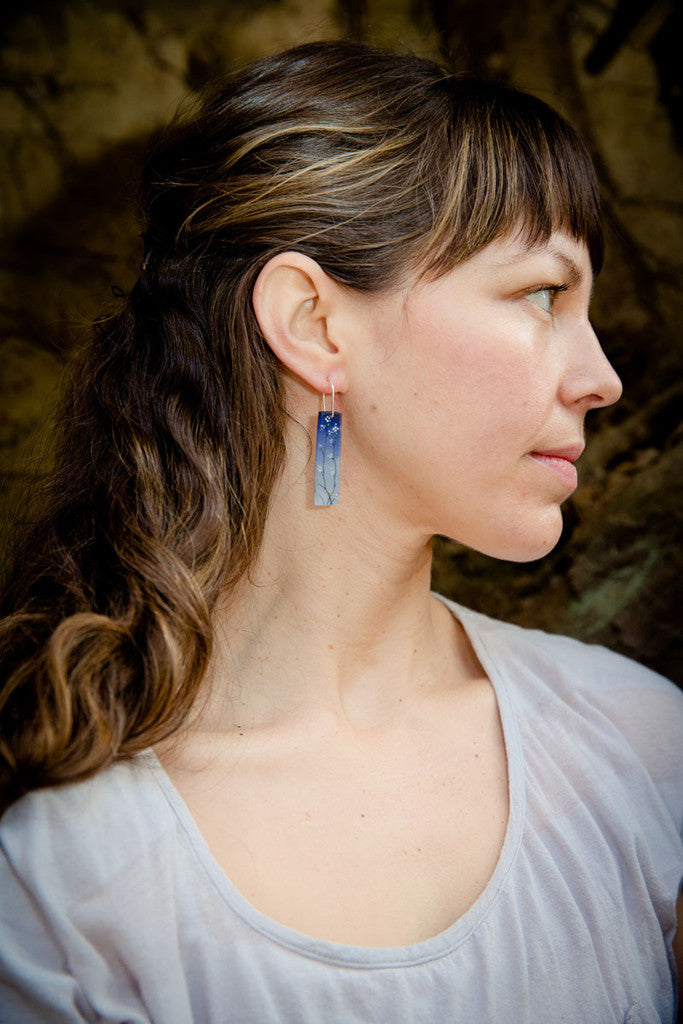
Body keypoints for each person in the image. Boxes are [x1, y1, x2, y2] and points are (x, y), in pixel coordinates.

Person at [0, 39, 680, 1024]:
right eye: (540, 294)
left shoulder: (643, 755)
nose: (600, 376)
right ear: (314, 324)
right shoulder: (70, 878)